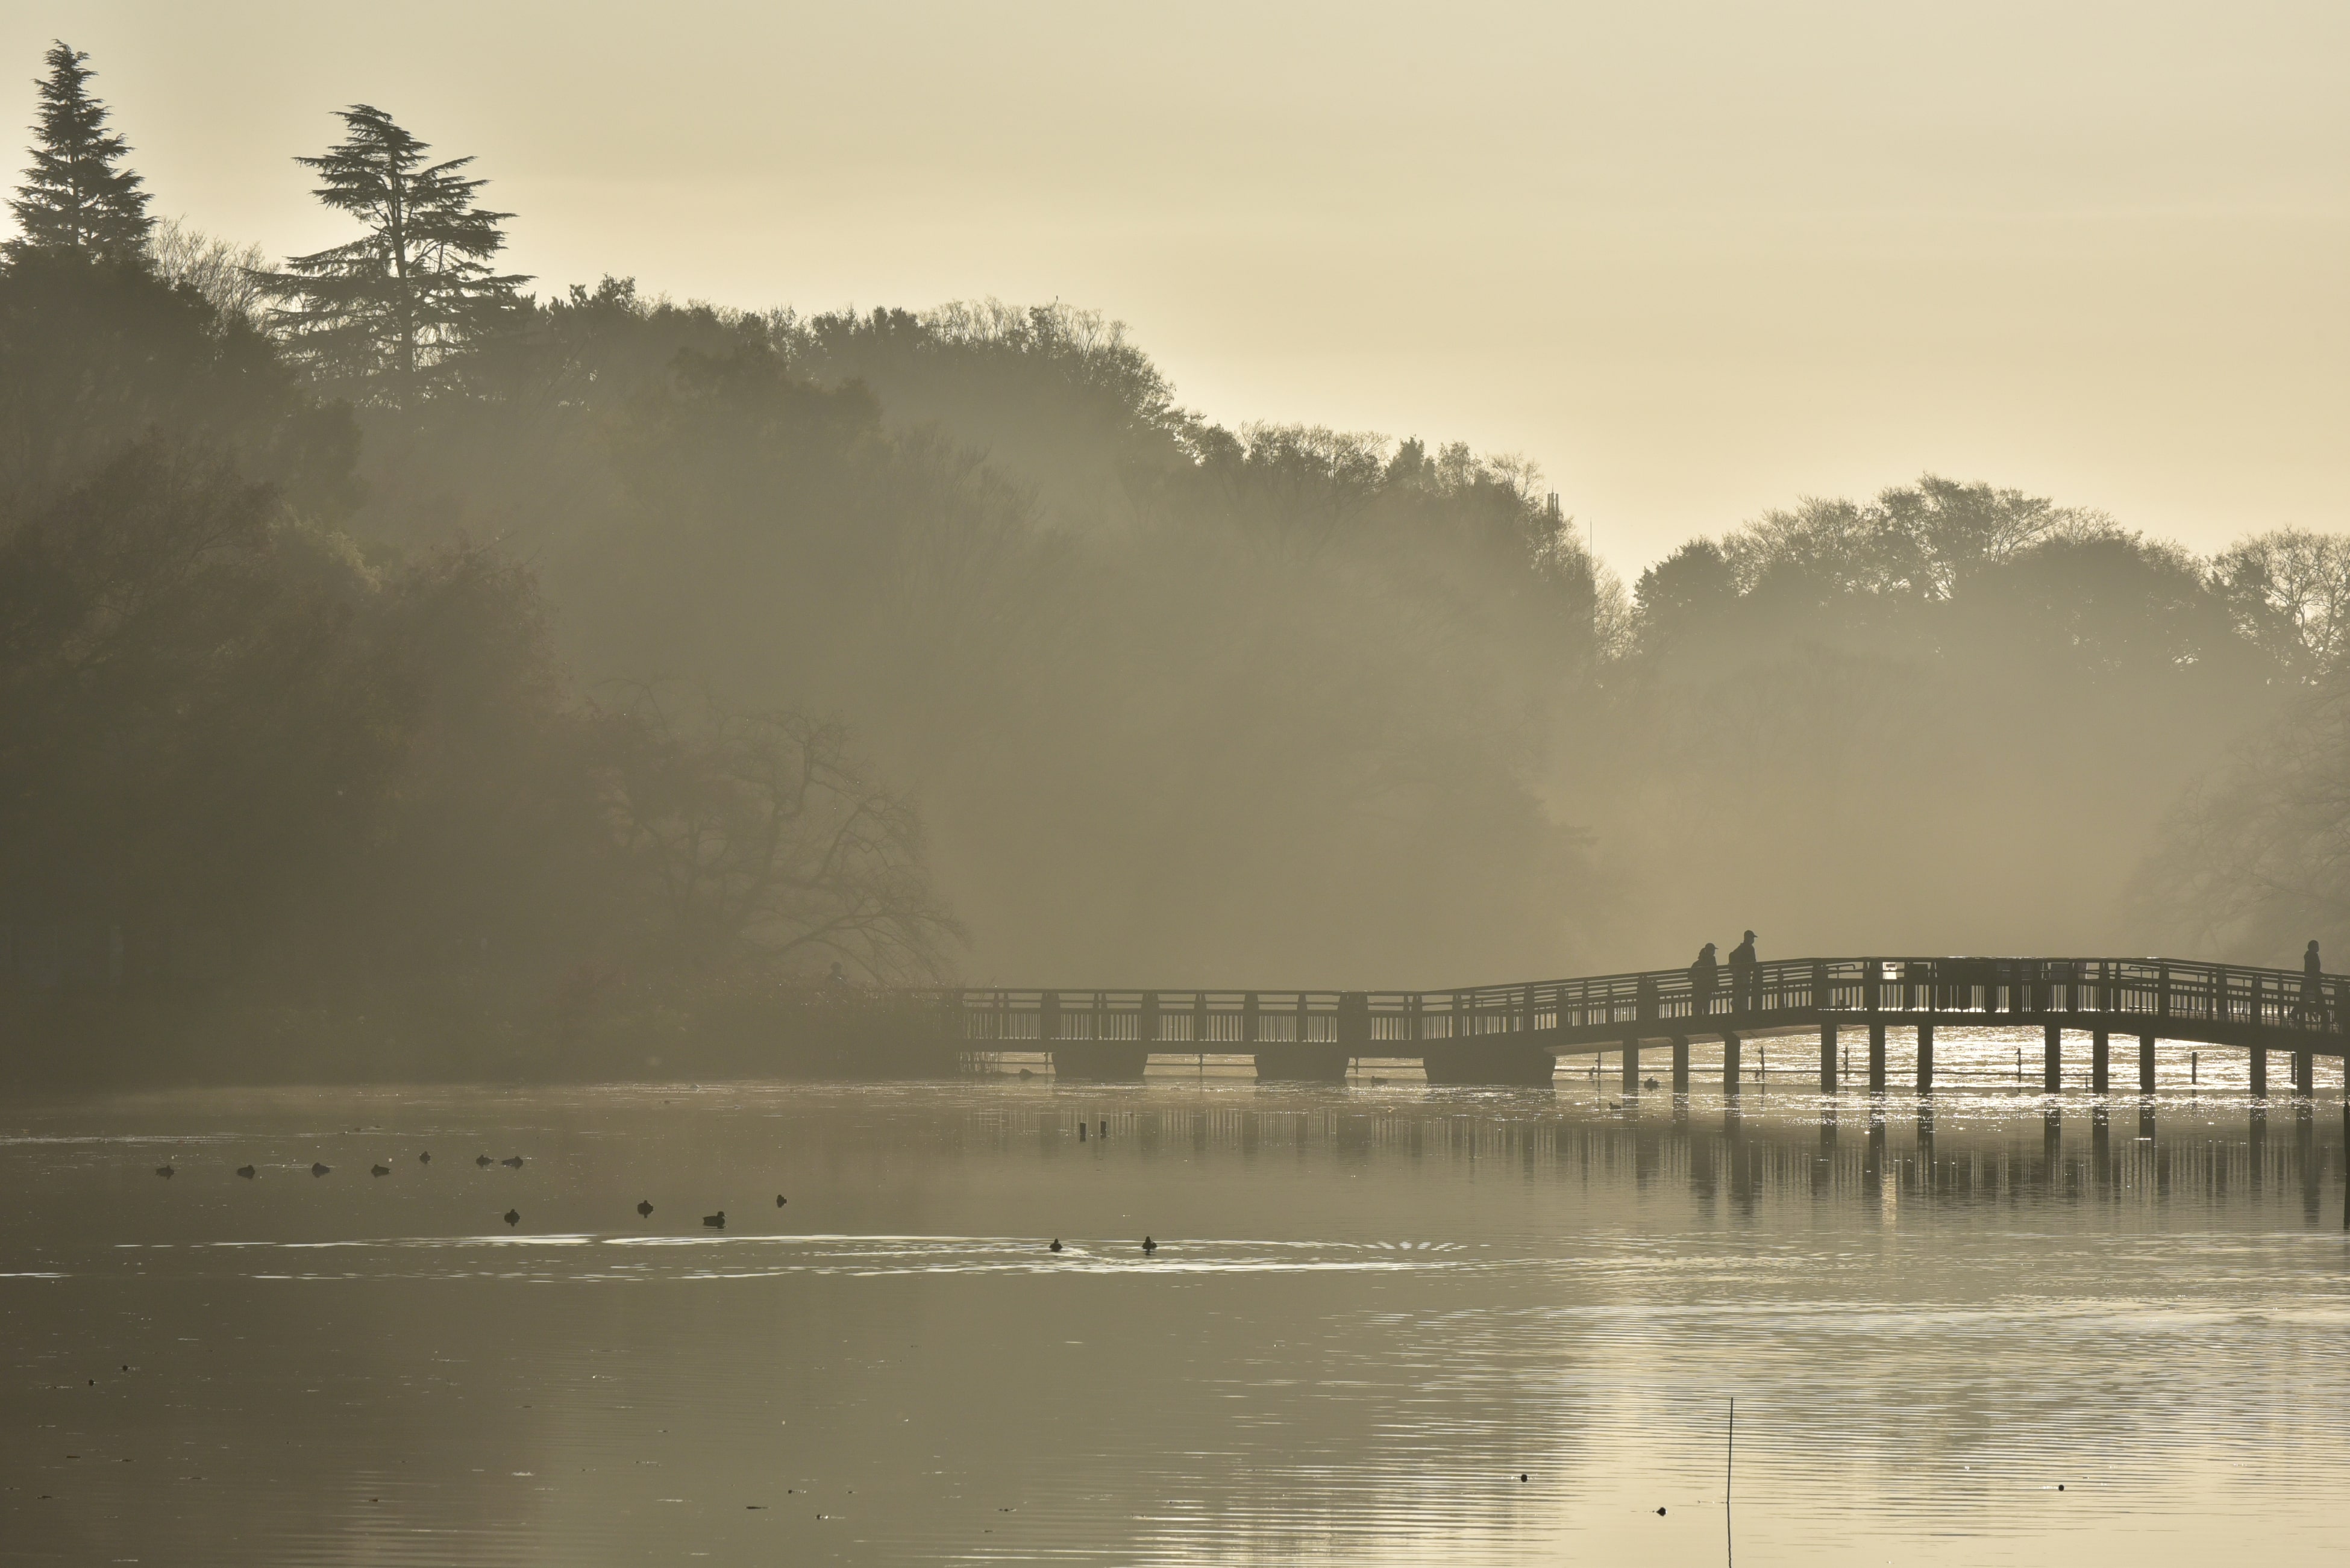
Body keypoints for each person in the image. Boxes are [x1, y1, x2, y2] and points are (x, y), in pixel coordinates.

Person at [1728, 930, 1758, 1013]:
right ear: (1748, 938)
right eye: (1752, 938)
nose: (1753, 940)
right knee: (1744, 993)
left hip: (1737, 975)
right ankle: (1743, 1011)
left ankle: (1736, 1006)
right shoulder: (1750, 949)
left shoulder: (1739, 948)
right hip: (1745, 975)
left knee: (1738, 993)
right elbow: (1753, 962)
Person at [2300, 940, 2325, 1029]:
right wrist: (2320, 975)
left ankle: (2324, 1016)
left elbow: (2312, 969)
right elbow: (2312, 970)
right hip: (2312, 982)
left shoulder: (2310, 956)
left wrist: (2320, 974)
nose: (2318, 948)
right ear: (2312, 947)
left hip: (2311, 981)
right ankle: (2324, 1016)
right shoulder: (2312, 956)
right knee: (2319, 999)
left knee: (2306, 999)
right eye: (2316, 946)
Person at [1690, 942, 1719, 1017]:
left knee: (1699, 1007)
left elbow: (1690, 976)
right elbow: (1715, 974)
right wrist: (1716, 986)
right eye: (1713, 950)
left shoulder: (1697, 964)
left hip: (1697, 989)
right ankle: (1706, 1022)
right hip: (1707, 988)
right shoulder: (1712, 960)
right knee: (1706, 1007)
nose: (1714, 952)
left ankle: (1699, 1022)